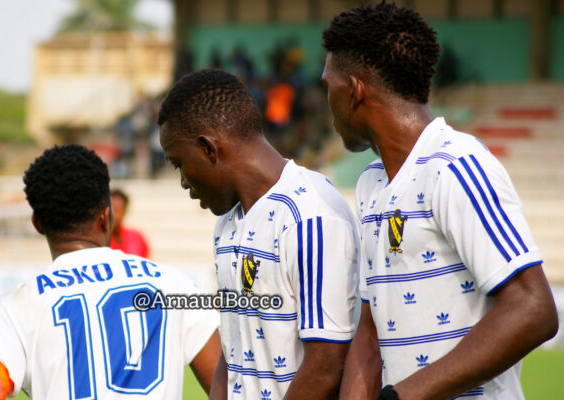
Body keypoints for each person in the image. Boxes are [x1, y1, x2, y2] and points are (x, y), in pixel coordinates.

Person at [320, 3, 559, 399]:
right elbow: (370, 331)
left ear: (355, 90)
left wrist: (402, 396)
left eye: (329, 86)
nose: (326, 100)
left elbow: (533, 310)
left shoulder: (455, 166)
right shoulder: (371, 185)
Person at [157, 69, 360, 400]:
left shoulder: (310, 214)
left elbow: (327, 363)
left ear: (208, 148)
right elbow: (233, 350)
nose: (182, 181)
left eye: (179, 163)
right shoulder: (227, 223)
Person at [0, 145, 221, 400]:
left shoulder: (13, 308)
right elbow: (232, 387)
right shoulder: (172, 285)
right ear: (105, 217)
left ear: (38, 224)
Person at [109, 189, 150, 258]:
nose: (115, 214)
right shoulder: (98, 240)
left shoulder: (137, 237)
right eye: (113, 209)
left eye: (119, 209)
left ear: (125, 210)